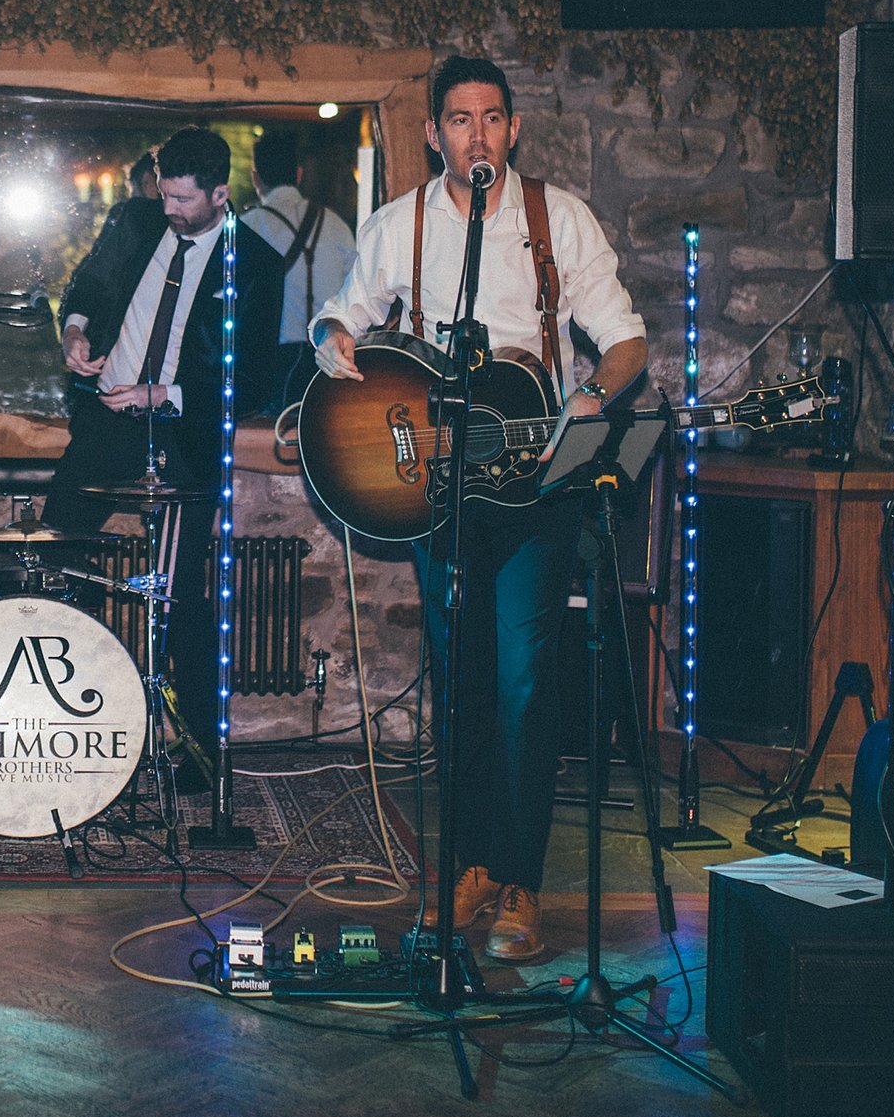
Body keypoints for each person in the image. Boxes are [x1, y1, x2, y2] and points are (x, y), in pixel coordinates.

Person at [311, 55, 647, 961]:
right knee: (460, 676)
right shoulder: (400, 225)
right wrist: (334, 340)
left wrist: (594, 397)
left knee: (526, 679)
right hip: (439, 485)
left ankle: (520, 882)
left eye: (493, 118)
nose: (478, 135)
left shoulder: (557, 220)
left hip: (537, 483)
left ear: (514, 128)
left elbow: (624, 341)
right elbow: (340, 315)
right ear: (434, 134)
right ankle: (461, 868)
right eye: (459, 120)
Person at [46, 126, 284, 787]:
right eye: (165, 194)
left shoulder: (258, 263)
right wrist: (76, 332)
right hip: (105, 426)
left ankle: (201, 756)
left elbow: (256, 379)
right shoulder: (134, 218)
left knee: (181, 599)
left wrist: (164, 392)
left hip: (184, 438)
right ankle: (70, 712)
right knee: (50, 553)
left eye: (183, 200)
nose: (170, 209)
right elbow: (88, 286)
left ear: (219, 192)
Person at [242, 128, 356, 416]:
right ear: (299, 173)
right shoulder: (335, 225)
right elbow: (355, 292)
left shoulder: (247, 227)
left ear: (256, 177)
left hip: (268, 362)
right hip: (329, 358)